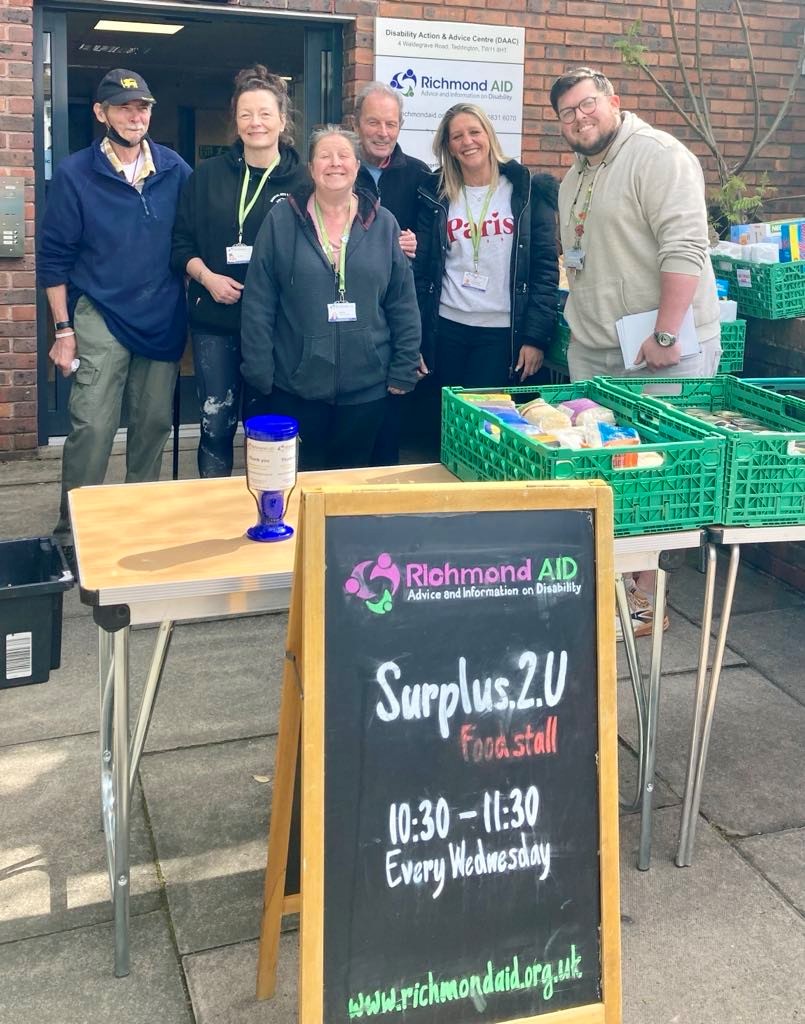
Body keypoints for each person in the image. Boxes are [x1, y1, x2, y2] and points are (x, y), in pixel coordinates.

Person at [549, 66, 721, 638]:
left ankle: (646, 604)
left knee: (648, 473)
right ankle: (614, 585)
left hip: (659, 348)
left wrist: (668, 333)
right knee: (606, 472)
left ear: (613, 100)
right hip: (598, 347)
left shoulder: (656, 155)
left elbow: (686, 244)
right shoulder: (577, 173)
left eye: (587, 104)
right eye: (568, 113)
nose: (580, 118)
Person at [37, 69, 191, 556]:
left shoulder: (175, 169)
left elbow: (194, 235)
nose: (135, 115)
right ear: (101, 113)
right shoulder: (76, 173)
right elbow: (54, 258)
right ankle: (76, 526)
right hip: (100, 312)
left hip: (161, 314)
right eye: (123, 107)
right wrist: (63, 329)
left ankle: (137, 517)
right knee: (94, 425)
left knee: (152, 425)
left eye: (142, 107)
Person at [239, 126, 422, 471]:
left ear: (356, 167)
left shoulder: (384, 224)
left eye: (343, 156)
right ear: (311, 167)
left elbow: (402, 302)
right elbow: (260, 302)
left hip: (368, 388)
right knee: (300, 485)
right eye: (324, 156)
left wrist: (403, 367)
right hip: (296, 386)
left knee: (353, 490)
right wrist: (259, 371)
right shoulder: (281, 221)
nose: (334, 163)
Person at [171, 66, 309, 477]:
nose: (256, 123)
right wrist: (207, 278)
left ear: (283, 120)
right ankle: (215, 515)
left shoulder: (304, 180)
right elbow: (180, 244)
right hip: (216, 319)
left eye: (265, 114)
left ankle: (268, 511)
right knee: (215, 425)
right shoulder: (206, 176)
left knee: (268, 429)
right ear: (235, 121)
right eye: (246, 114)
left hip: (279, 326)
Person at [414, 103, 559, 408]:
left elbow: (545, 271)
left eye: (474, 132)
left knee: (492, 428)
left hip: (503, 334)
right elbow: (423, 272)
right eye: (457, 137)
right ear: (449, 147)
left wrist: (535, 338)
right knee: (450, 426)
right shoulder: (435, 195)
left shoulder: (526, 190)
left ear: (489, 135)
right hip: (447, 329)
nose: (467, 142)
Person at [353, 81, 432, 465]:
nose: (383, 133)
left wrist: (421, 246)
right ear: (356, 123)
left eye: (391, 124)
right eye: (374, 123)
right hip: (352, 312)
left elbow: (437, 250)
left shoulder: (420, 176)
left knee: (390, 425)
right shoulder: (339, 170)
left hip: (398, 313)